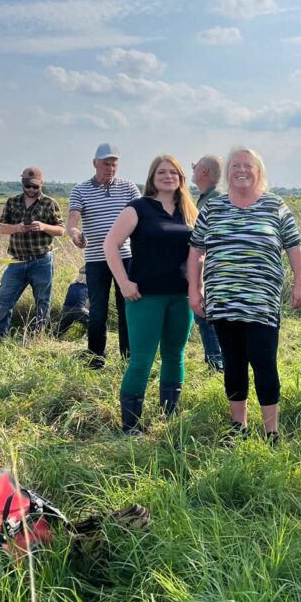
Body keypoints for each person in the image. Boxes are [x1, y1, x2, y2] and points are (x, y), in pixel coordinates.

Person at [187, 147, 301, 441]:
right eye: (236, 165)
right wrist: (195, 288)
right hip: (223, 301)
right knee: (233, 363)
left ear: (259, 171)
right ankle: (238, 426)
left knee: (264, 362)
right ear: (227, 173)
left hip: (262, 304)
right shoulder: (213, 208)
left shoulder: (275, 206)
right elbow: (196, 250)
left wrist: (299, 280)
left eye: (248, 166)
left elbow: (293, 246)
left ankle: (271, 431)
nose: (242, 170)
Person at [103, 156, 197, 434]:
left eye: (173, 172)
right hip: (145, 297)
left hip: (180, 296)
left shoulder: (189, 211)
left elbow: (199, 254)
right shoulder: (138, 208)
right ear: (152, 177)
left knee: (174, 356)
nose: (168, 176)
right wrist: (123, 282)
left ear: (181, 178)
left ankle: (168, 418)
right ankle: (130, 426)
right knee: (142, 359)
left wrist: (198, 288)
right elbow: (111, 244)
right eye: (161, 172)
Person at [66, 144, 140, 368]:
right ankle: (96, 358)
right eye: (106, 164)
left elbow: (141, 215)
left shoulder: (128, 188)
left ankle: (129, 359)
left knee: (127, 307)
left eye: (114, 164)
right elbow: (72, 223)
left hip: (125, 257)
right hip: (96, 258)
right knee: (97, 310)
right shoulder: (81, 190)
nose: (110, 168)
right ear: (95, 163)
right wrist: (75, 234)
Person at [0, 167, 64, 340]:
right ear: (22, 182)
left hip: (41, 260)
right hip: (17, 261)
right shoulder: (12, 202)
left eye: (34, 187)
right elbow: (1, 227)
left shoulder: (49, 203)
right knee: (4, 299)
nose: (30, 189)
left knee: (42, 301)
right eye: (27, 185)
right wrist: (17, 228)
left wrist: (43, 226)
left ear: (41, 184)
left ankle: (38, 337)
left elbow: (61, 230)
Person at [190, 154, 224, 372]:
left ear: (203, 171)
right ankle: (214, 361)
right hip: (210, 266)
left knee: (207, 316)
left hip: (215, 269)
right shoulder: (207, 197)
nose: (192, 170)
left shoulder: (215, 200)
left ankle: (217, 363)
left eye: (194, 166)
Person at [57, 267, 89, 338]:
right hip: (79, 310)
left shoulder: (72, 285)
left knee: (61, 328)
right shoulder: (89, 286)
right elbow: (89, 304)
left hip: (66, 309)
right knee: (94, 323)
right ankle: (87, 339)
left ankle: (53, 337)